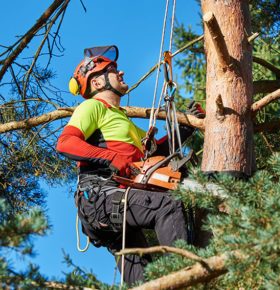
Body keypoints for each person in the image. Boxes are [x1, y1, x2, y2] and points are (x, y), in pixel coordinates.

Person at [56, 45, 204, 285]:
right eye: (113, 70)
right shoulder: (94, 107)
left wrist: (184, 127)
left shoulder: (124, 122)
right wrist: (111, 158)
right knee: (166, 206)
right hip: (101, 196)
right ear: (96, 83)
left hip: (115, 205)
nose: (121, 72)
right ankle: (185, 279)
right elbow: (65, 142)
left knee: (143, 281)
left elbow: (155, 154)